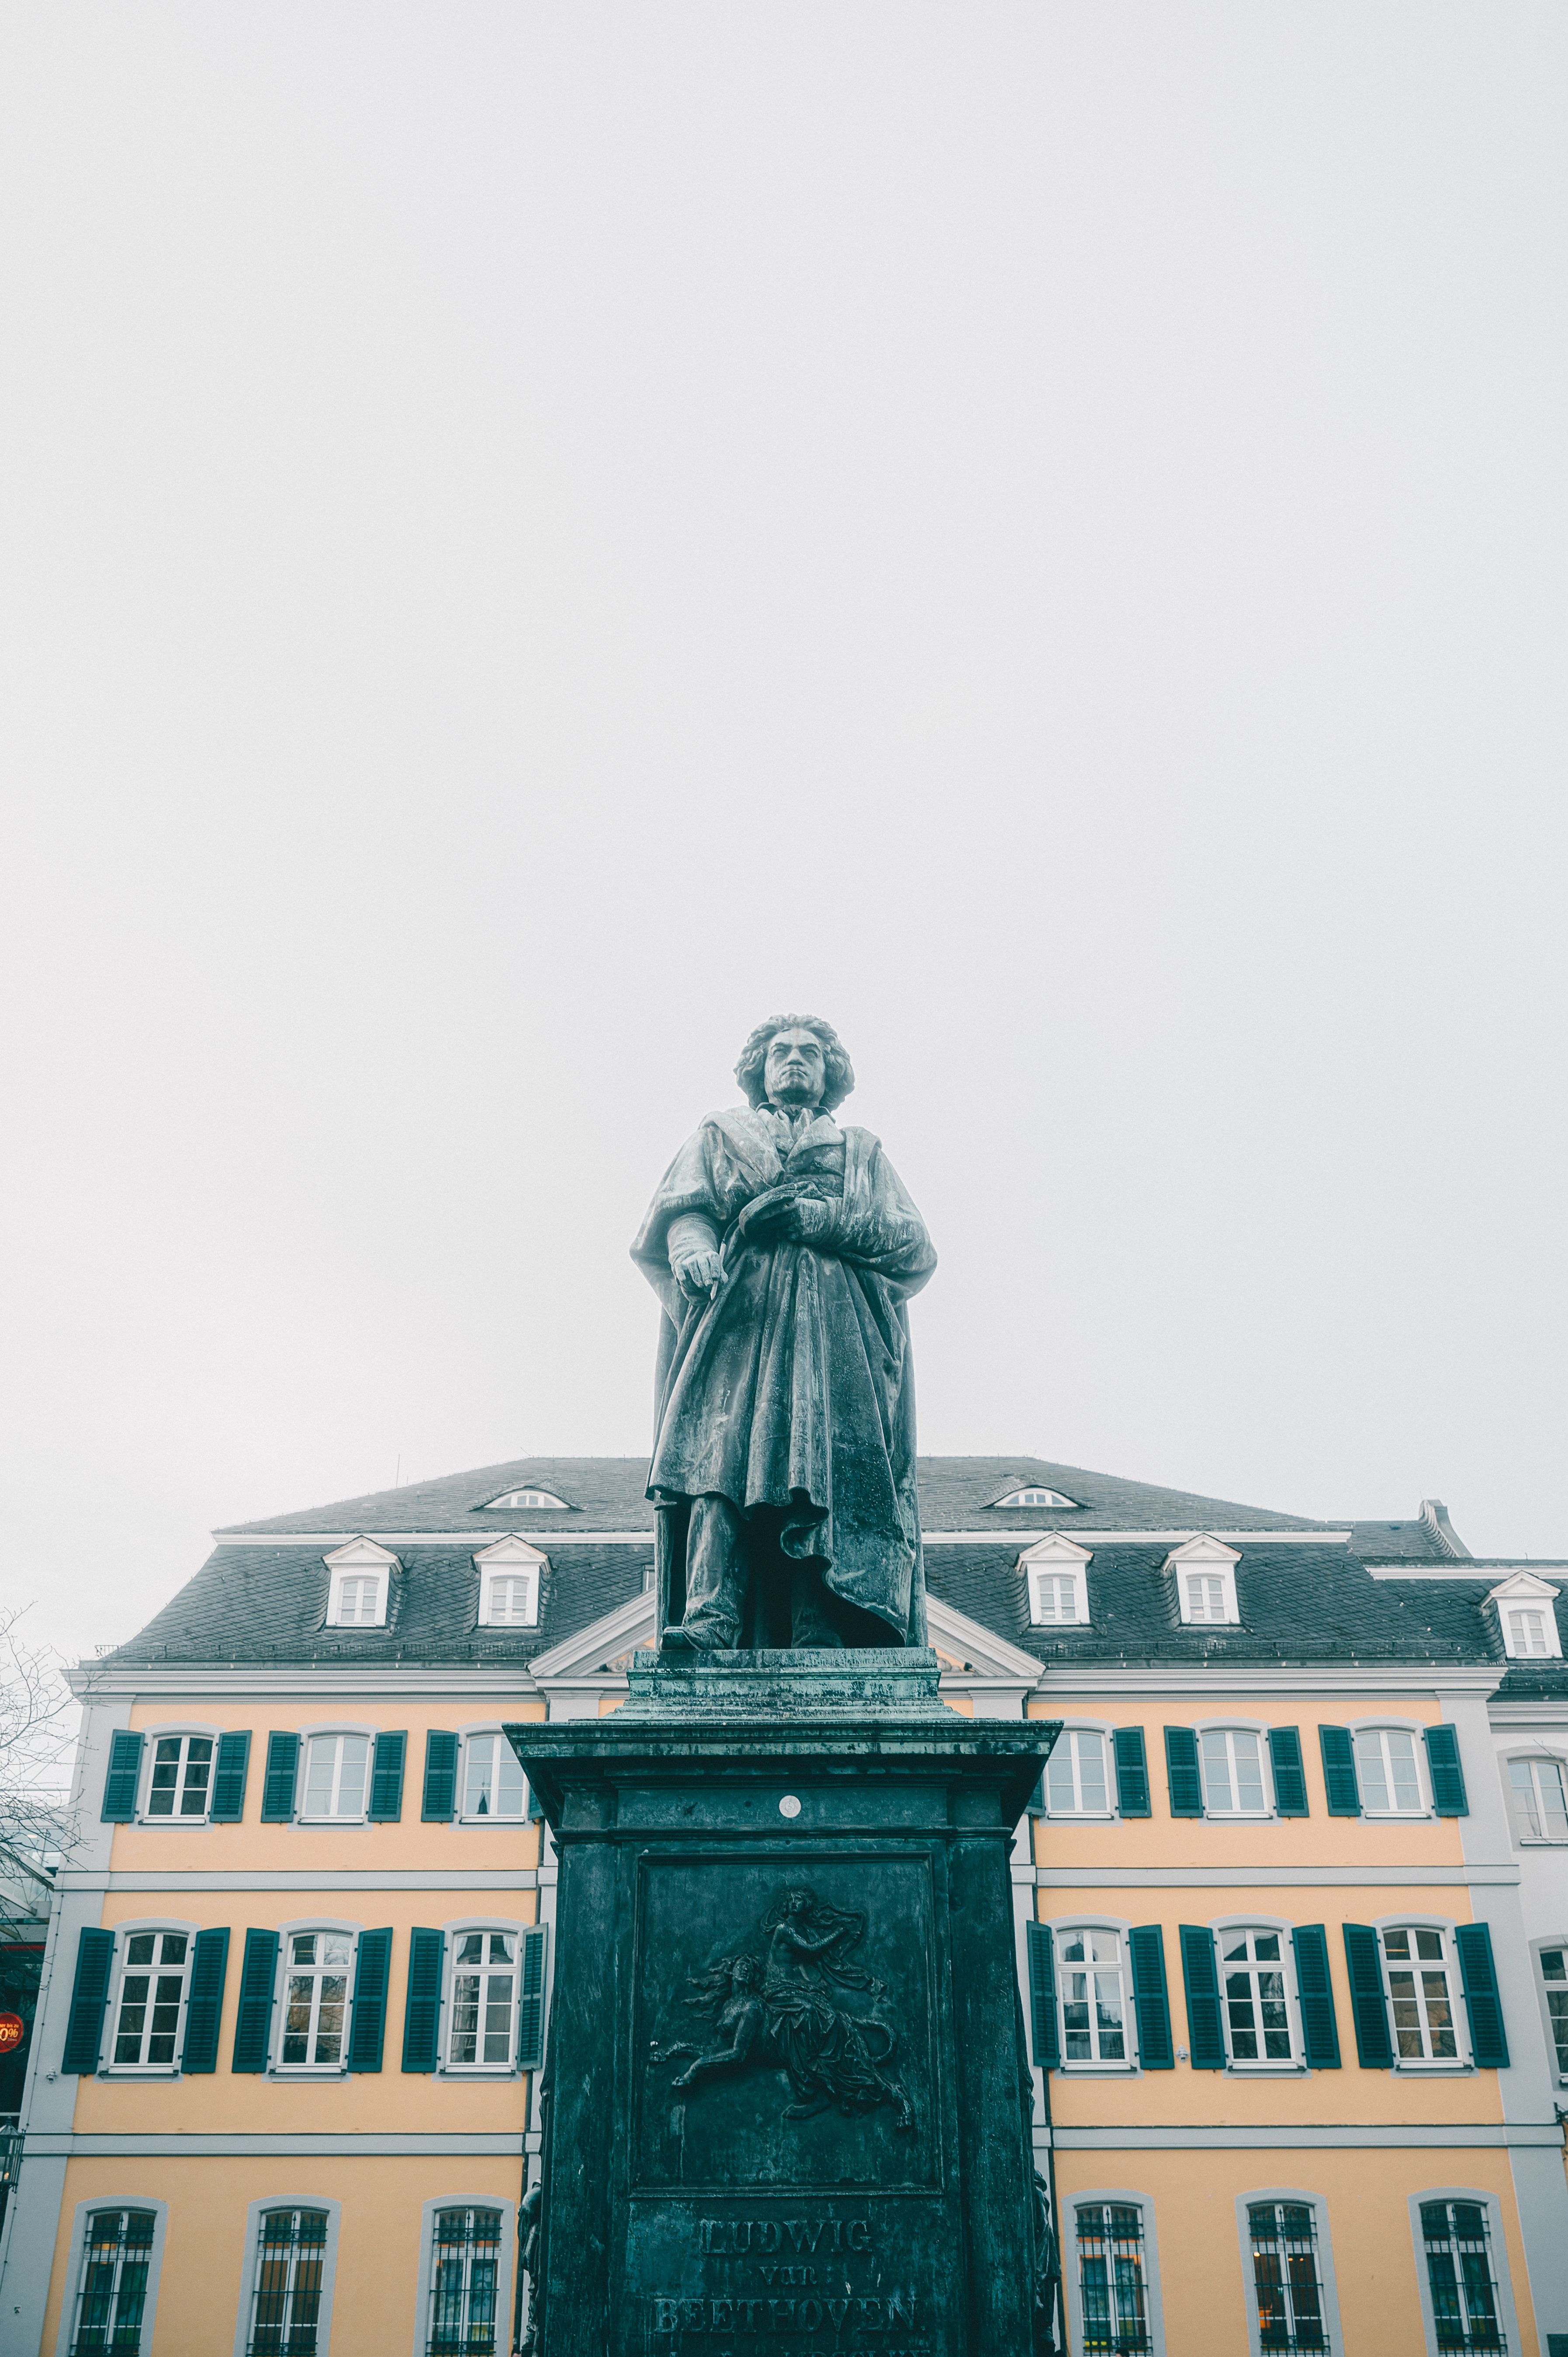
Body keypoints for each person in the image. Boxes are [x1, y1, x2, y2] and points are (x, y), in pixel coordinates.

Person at [631, 1015, 936, 1650]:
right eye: (780, 1051)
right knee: (716, 1460)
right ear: (758, 1068)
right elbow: (682, 1211)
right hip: (738, 1323)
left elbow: (912, 1245)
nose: (794, 1060)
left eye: (809, 1053)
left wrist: (819, 1218)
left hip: (835, 1340)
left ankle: (818, 1626)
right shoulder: (720, 1135)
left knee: (819, 1471)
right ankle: (709, 1622)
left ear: (831, 1074)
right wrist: (692, 1247)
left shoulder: (861, 1152)